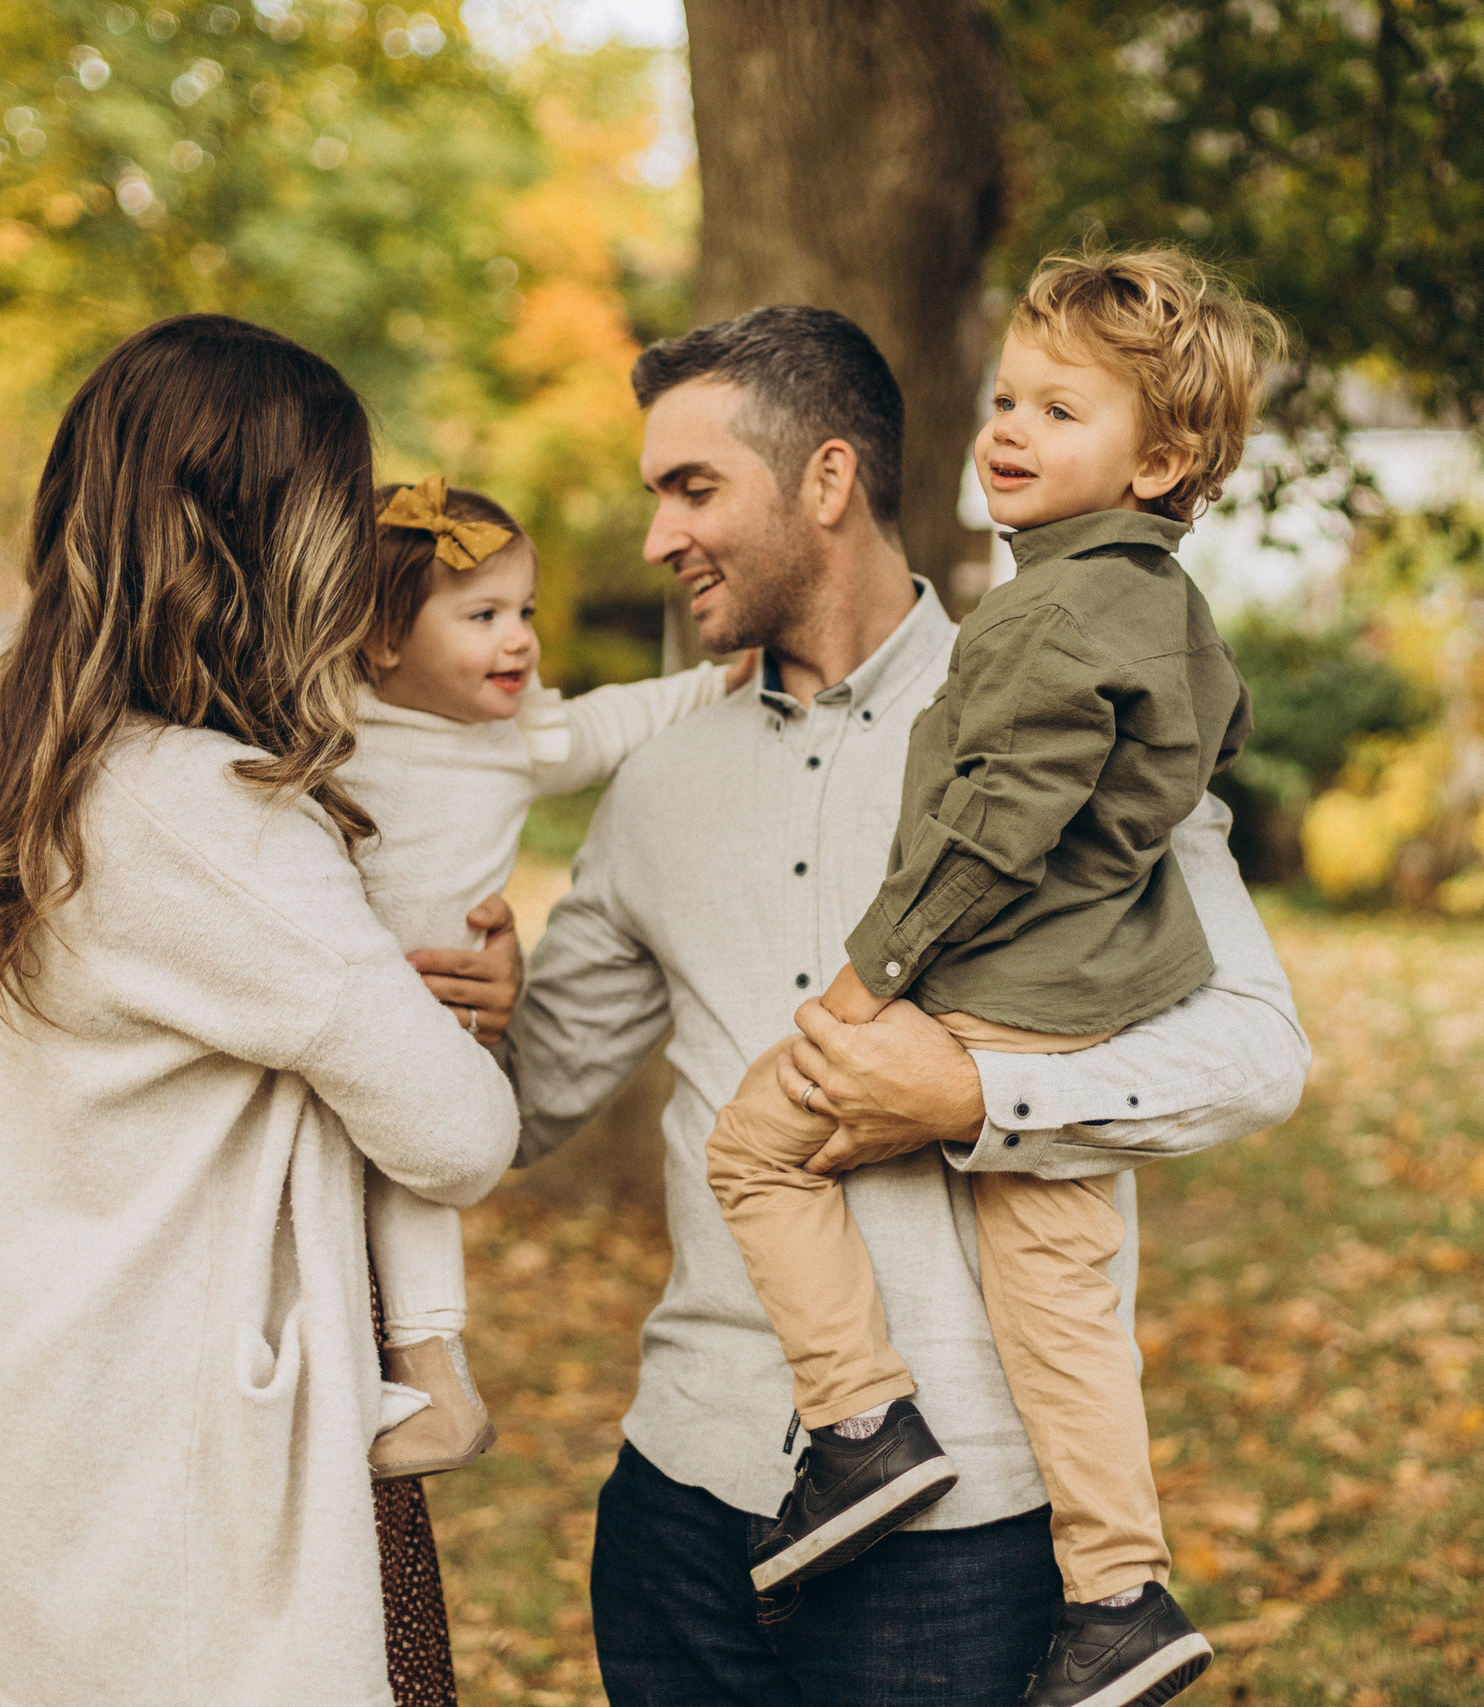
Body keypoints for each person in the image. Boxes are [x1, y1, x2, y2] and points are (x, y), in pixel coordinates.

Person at [501, 303, 1312, 1705]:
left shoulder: (1068, 699)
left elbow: (1257, 1051)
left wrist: (982, 1101)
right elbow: (519, 1104)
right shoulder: (659, 783)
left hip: (963, 1545)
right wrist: (424, 982)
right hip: (680, 1508)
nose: (656, 537)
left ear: (827, 480)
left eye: (693, 489)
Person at [699, 250, 1278, 1706]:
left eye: (1060, 410)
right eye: (1007, 396)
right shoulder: (1169, 609)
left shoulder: (1040, 618)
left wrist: (868, 978)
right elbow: (1213, 737)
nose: (1008, 427)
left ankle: (861, 1424)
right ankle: (1121, 1594)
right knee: (1064, 1306)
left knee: (756, 1148)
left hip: (984, 990)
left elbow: (987, 825)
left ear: (1164, 457)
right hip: (1090, 999)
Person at [0, 314, 520, 1707]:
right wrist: (463, 1011)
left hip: (68, 1426)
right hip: (212, 1497)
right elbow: (456, 1136)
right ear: (266, 544)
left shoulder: (12, 754)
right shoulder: (212, 815)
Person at [340, 473, 746, 1479]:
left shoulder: (514, 741)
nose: (518, 638)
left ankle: (435, 1382)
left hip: (437, 1026)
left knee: (409, 1185)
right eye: (482, 615)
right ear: (384, 637)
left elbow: (622, 722)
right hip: (338, 1006)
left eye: (521, 611)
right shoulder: (325, 722)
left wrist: (727, 680)